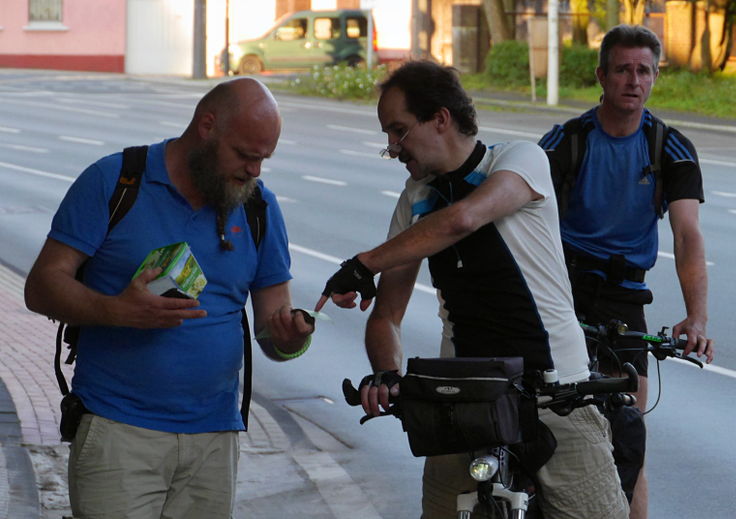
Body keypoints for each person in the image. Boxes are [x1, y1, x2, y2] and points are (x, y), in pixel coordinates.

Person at [316, 60, 629, 519]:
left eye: (398, 131)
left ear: (440, 118)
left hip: (556, 389)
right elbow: (386, 316)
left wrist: (365, 263)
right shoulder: (415, 199)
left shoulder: (519, 159)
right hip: (465, 395)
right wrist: (386, 372)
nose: (392, 147)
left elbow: (465, 217)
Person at [24, 78, 315, 518]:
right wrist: (115, 310)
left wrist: (290, 339)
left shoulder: (259, 208)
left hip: (215, 438)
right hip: (118, 430)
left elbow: (273, 332)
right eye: (244, 154)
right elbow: (41, 285)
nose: (254, 171)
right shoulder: (116, 182)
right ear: (207, 125)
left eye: (263, 159)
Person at [537, 24, 714, 518]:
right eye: (622, 69)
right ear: (601, 75)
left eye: (644, 71)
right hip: (560, 290)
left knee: (628, 432)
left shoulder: (669, 147)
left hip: (623, 298)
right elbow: (523, 218)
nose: (633, 80)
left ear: (655, 77)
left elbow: (687, 235)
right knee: (543, 416)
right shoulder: (566, 141)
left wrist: (695, 318)